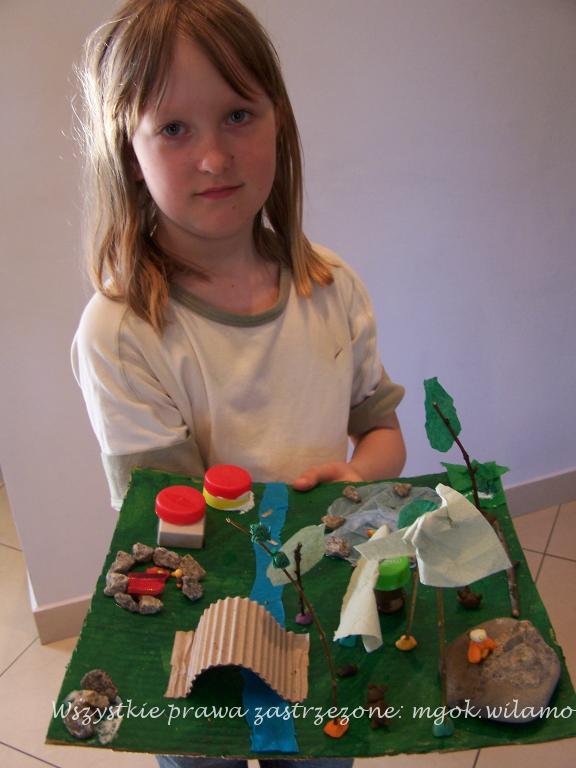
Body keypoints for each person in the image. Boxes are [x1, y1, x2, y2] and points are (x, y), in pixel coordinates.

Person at [72, 1, 406, 765]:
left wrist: (357, 476)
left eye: (238, 115)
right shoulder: (123, 331)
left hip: (319, 609)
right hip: (200, 632)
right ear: (128, 153)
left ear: (278, 121)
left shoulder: (333, 287)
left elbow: (383, 432)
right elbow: (170, 523)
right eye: (174, 128)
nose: (216, 158)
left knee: (319, 754)